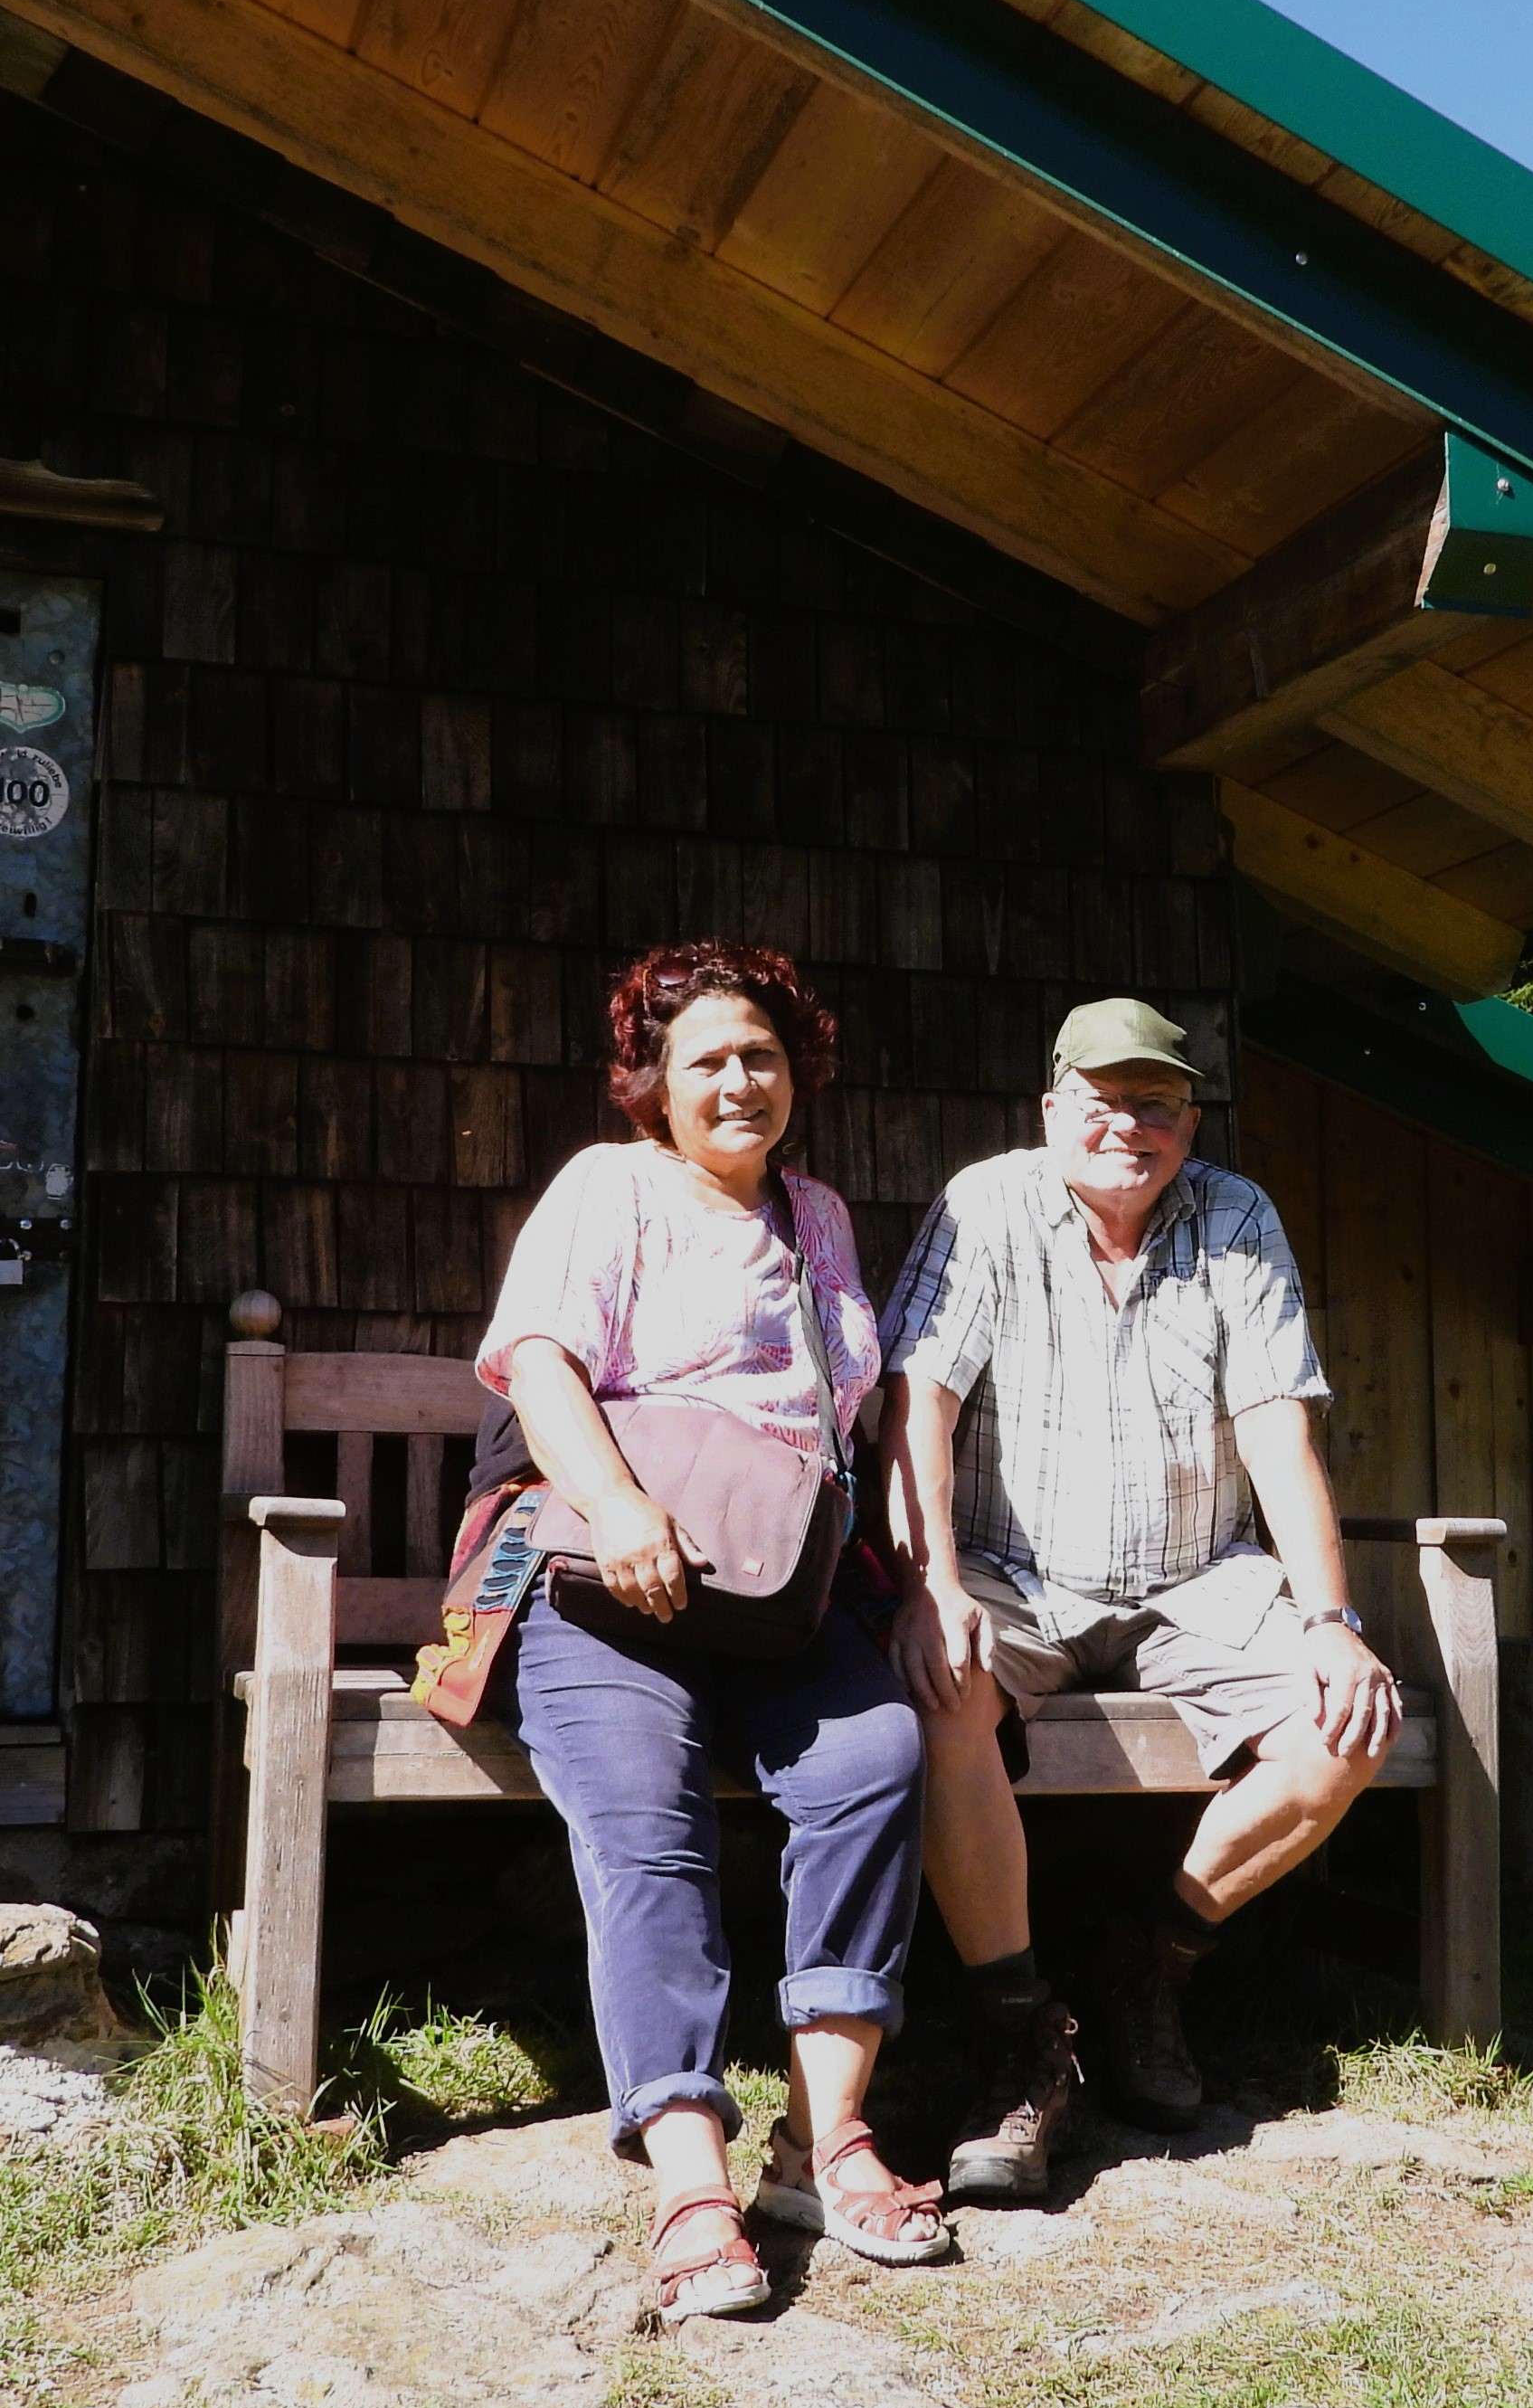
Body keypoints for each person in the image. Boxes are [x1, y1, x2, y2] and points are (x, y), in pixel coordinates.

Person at [474, 939, 946, 2319]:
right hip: (610, 1584)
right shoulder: (609, 1186)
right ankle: (690, 2180)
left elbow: (849, 1415)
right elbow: (540, 1362)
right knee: (646, 1820)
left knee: (873, 1763)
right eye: (709, 1060)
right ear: (654, 1083)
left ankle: (823, 2142)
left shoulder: (819, 1216)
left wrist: (917, 1579)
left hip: (776, 1592)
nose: (741, 1081)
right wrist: (620, 1507)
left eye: (764, 1056)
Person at [883, 997, 1402, 2200]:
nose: (1129, 1125)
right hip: (1010, 1571)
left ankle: (1150, 1963)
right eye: (1103, 1101)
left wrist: (1332, 1624)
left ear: (1191, 1123)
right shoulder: (985, 1205)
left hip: (1195, 1579)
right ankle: (1017, 2035)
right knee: (935, 1694)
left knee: (1346, 1729)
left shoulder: (1236, 1216)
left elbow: (1277, 1432)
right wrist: (931, 1585)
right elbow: (919, 1407)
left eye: (1156, 1104)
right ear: (1051, 1109)